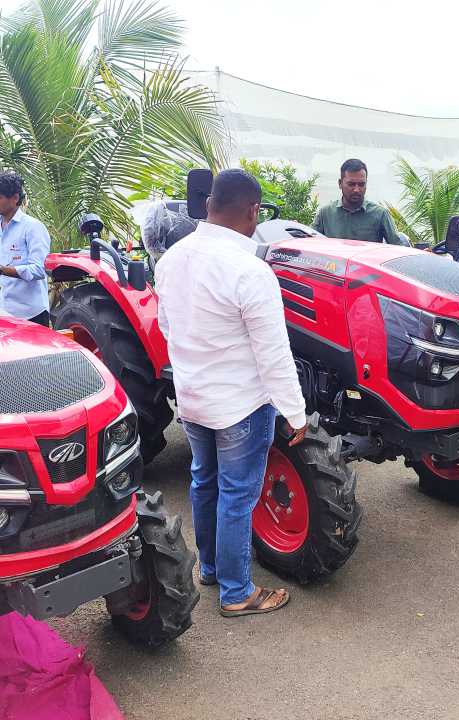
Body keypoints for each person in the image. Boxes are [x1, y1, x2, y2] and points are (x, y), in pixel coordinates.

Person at [154, 169, 308, 618]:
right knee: (238, 494)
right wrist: (295, 412)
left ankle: (212, 569)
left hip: (193, 397)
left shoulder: (172, 259)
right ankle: (237, 592)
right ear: (253, 212)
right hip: (240, 404)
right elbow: (274, 353)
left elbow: (168, 327)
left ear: (208, 205)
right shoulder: (251, 270)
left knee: (204, 481)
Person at [0, 171, 52, 325]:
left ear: (15, 198)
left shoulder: (33, 228)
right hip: (6, 312)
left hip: (32, 314)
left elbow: (39, 270)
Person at [311, 158, 405, 244]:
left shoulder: (380, 214)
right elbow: (309, 244)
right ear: (340, 184)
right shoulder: (325, 214)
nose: (356, 189)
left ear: (366, 184)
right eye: (351, 184)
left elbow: (398, 248)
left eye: (361, 184)